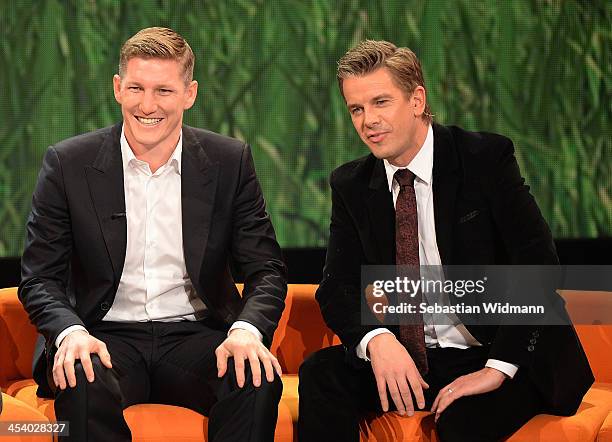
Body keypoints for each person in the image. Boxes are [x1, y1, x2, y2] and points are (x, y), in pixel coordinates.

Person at [297, 40, 593, 442]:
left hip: (502, 348)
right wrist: (377, 340)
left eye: (381, 102)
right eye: (357, 108)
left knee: (461, 421)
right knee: (321, 374)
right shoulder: (351, 184)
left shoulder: (483, 159)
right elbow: (337, 286)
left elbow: (538, 262)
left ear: (417, 100)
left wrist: (496, 368)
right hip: (413, 357)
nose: (368, 120)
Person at [19, 27, 287, 442]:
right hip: (102, 333)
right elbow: (39, 278)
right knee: (81, 375)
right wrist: (70, 333)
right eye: (136, 88)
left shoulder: (229, 161)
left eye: (163, 90)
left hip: (195, 336)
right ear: (117, 88)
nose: (147, 105)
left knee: (255, 377)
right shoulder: (68, 163)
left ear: (189, 93)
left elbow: (266, 269)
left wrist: (246, 331)